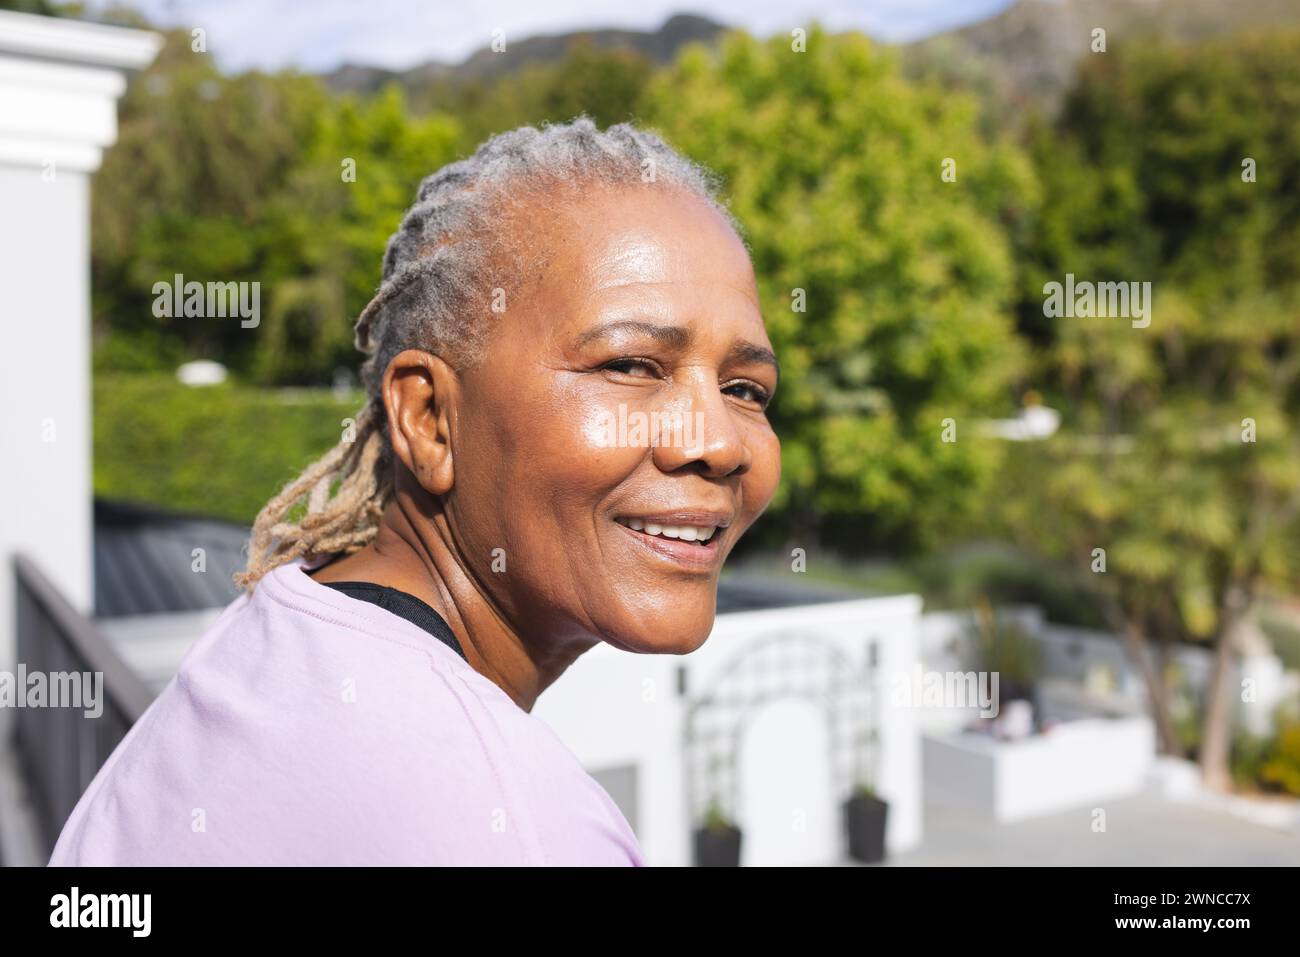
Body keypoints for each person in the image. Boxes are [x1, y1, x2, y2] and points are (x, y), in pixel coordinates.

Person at [49, 115, 781, 866]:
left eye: (746, 388)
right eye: (630, 365)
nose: (720, 442)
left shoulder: (276, 646)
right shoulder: (516, 824)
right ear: (429, 417)